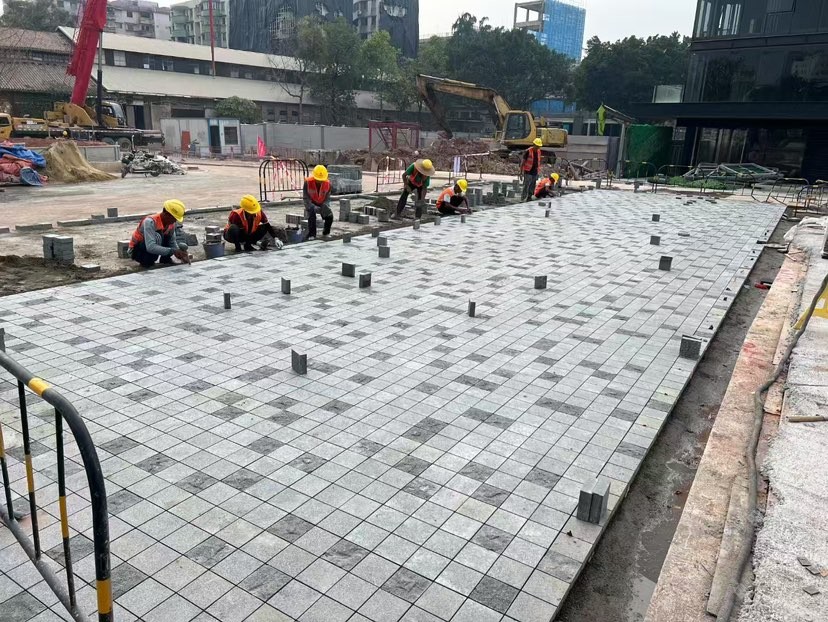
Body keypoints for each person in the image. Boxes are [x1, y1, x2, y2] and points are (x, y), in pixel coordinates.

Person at [129, 199, 190, 268]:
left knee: (166, 236)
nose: (175, 221)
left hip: (150, 245)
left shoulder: (171, 224)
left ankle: (165, 260)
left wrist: (179, 253)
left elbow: (172, 243)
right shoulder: (150, 222)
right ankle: (146, 262)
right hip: (136, 251)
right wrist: (173, 251)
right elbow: (151, 247)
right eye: (174, 218)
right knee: (158, 236)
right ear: (166, 214)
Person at [303, 165, 333, 240]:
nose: (319, 181)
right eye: (318, 179)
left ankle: (326, 233)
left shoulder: (328, 184)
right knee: (311, 213)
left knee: (329, 215)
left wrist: (325, 206)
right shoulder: (307, 182)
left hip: (322, 202)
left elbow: (327, 198)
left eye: (321, 180)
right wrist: (311, 206)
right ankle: (312, 234)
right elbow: (306, 198)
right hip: (311, 202)